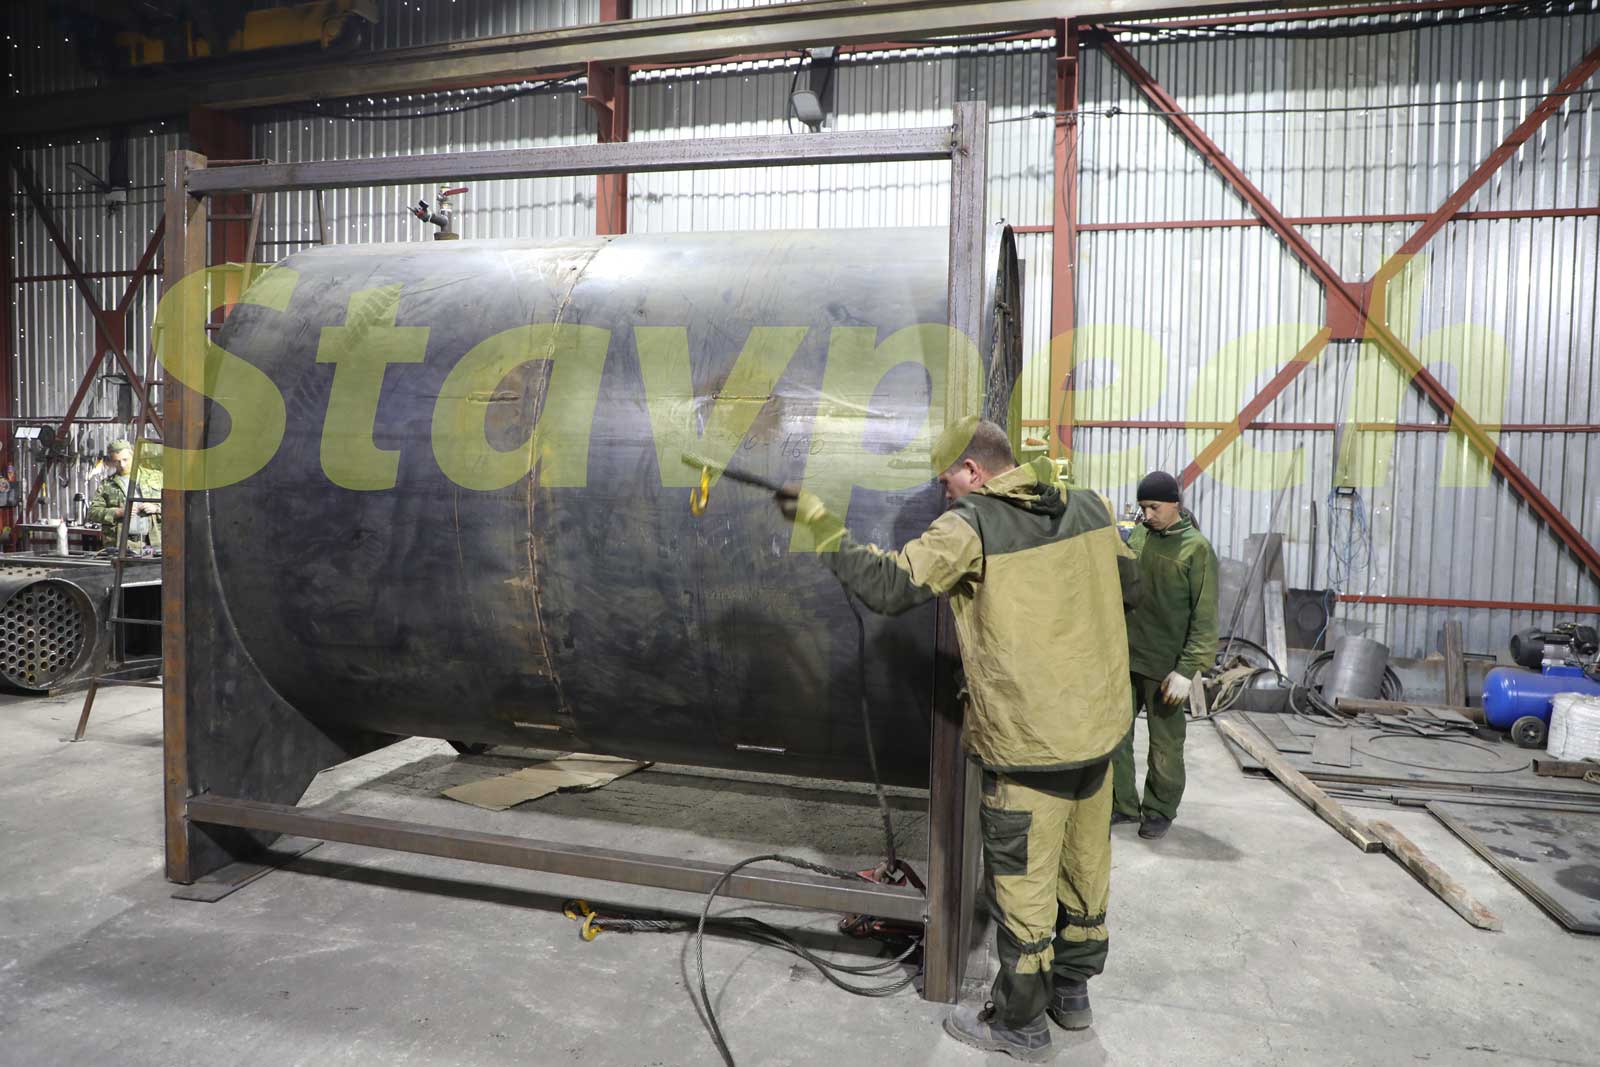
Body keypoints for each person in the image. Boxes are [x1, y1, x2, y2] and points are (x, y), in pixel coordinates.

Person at [777, 417, 1138, 1063]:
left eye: (947, 479)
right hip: (1099, 731)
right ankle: (1073, 995)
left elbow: (888, 587)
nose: (944, 492)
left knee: (1022, 888)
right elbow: (1129, 589)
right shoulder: (1091, 505)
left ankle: (1020, 1025)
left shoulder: (971, 524)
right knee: (1085, 872)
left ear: (973, 469)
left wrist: (819, 526)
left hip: (1030, 744)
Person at [1112, 470, 1218, 840]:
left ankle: (1159, 809)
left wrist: (1187, 670)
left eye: (1154, 507)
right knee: (1115, 737)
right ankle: (1122, 804)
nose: (1147, 515)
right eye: (1143, 507)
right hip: (1128, 657)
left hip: (1166, 667)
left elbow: (1205, 618)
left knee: (1165, 746)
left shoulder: (1196, 550)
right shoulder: (1141, 535)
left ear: (1175, 503)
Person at [88, 439, 162, 552]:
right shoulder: (107, 485)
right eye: (117, 461)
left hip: (153, 543)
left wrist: (156, 508)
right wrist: (117, 512)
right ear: (111, 461)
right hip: (120, 545)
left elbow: (177, 505)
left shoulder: (156, 477)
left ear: (134, 456)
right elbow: (93, 513)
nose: (122, 465)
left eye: (125, 459)